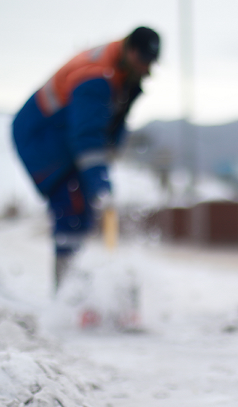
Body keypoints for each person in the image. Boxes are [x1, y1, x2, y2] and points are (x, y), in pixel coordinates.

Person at [12, 26, 161, 290]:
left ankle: (77, 288)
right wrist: (102, 187)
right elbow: (88, 138)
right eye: (143, 62)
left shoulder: (123, 72)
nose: (146, 70)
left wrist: (104, 168)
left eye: (151, 64)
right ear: (131, 51)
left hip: (65, 137)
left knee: (83, 209)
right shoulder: (94, 76)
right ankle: (66, 294)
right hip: (41, 139)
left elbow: (110, 127)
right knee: (71, 205)